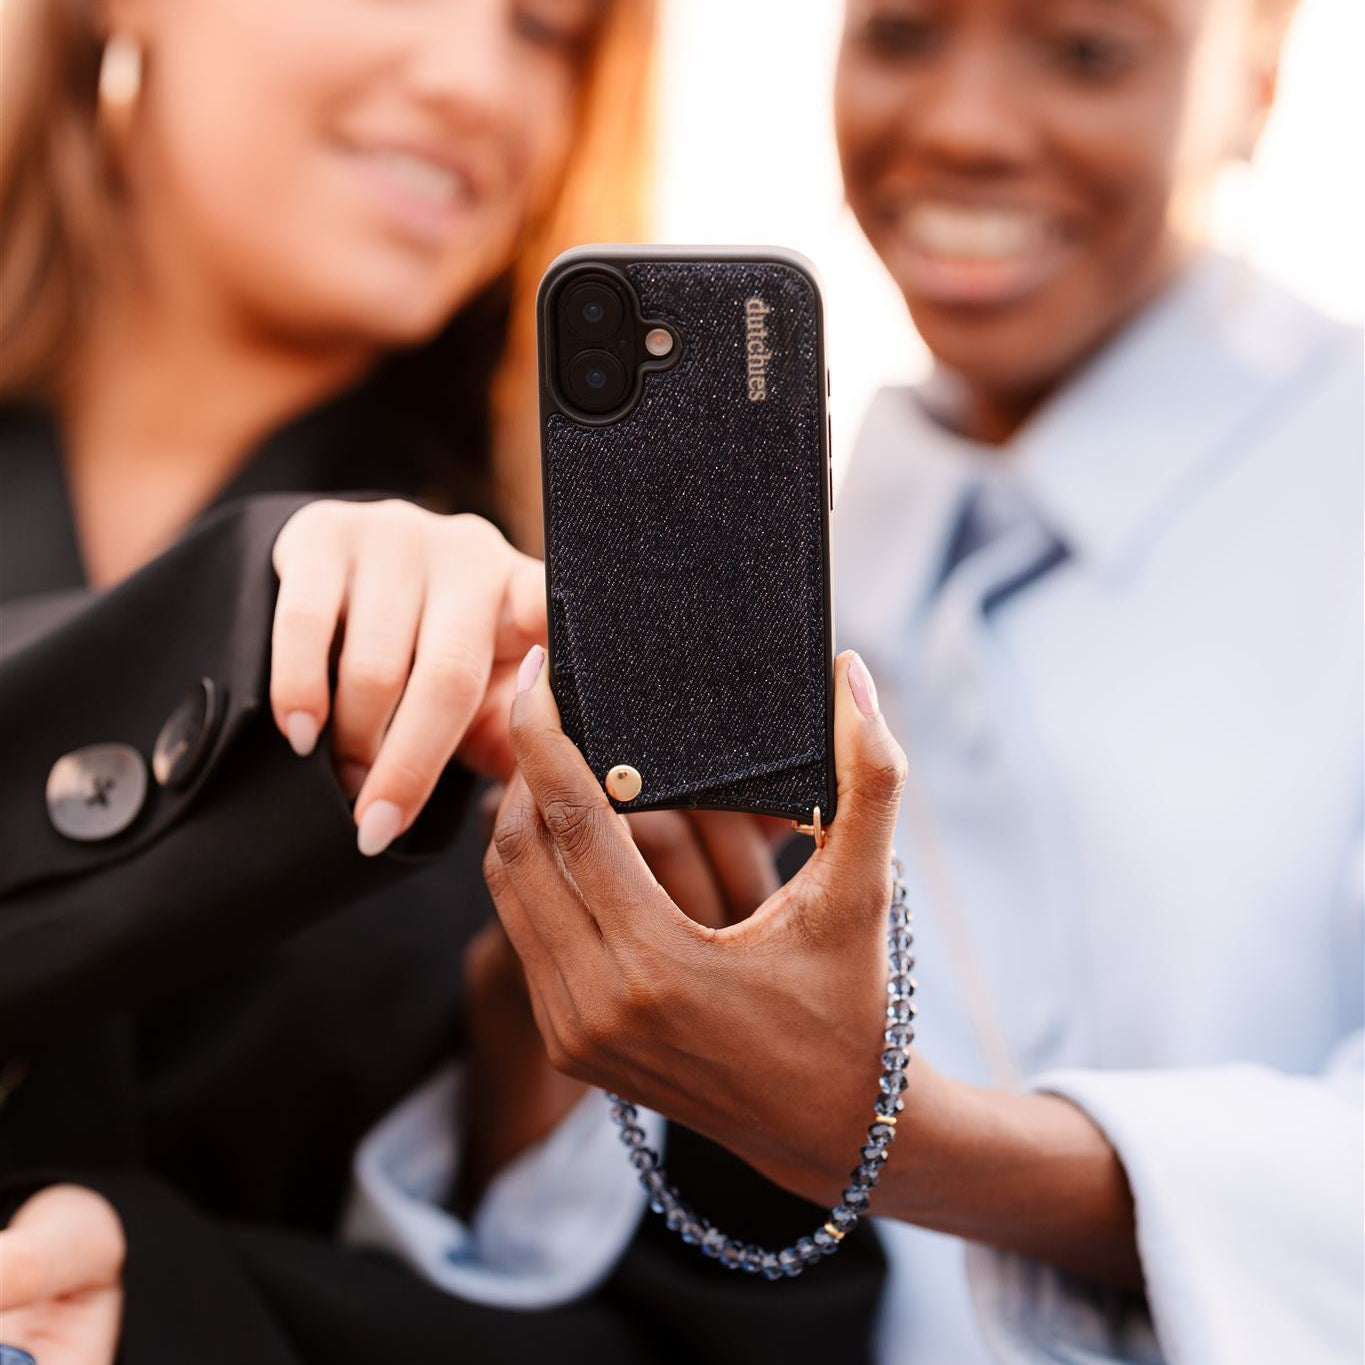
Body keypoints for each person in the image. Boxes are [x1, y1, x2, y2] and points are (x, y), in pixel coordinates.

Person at [334, 0, 1362, 1361]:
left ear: (1261, 71)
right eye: (897, 33)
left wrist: (895, 1139)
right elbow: (607, 1265)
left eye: (1087, 50)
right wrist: (558, 1009)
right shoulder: (810, 540)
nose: (959, 125)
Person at [1, 2, 868, 1362]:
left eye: (547, 29)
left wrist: (542, 1102)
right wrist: (233, 615)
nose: (475, 82)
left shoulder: (569, 647)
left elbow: (734, 1333)